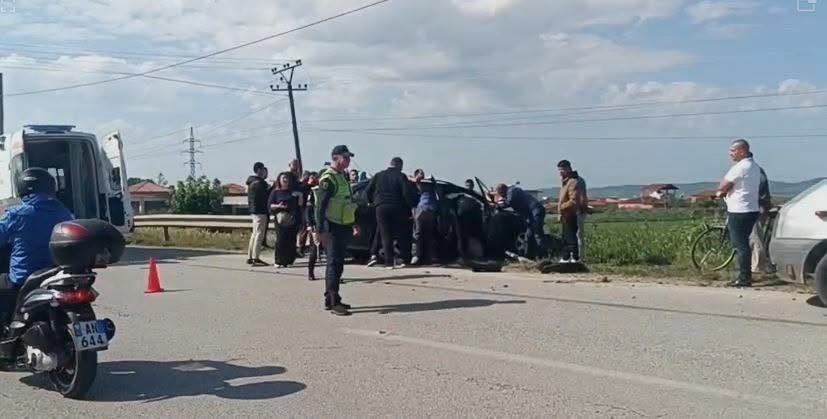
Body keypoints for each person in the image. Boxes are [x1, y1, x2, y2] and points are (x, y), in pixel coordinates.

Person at [0, 168, 74, 326]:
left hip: (24, 276)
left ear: (22, 188)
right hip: (57, 271)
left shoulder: (16, 214)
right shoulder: (66, 213)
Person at [315, 145, 360, 316]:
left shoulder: (342, 176)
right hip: (331, 227)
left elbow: (346, 202)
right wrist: (320, 230)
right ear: (336, 158)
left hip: (343, 225)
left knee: (339, 264)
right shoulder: (328, 179)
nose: (348, 160)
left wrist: (353, 223)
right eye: (345, 157)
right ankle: (333, 303)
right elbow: (320, 206)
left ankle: (333, 299)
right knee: (333, 264)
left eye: (349, 157)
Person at [716, 139, 761, 287]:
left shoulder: (740, 167)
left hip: (739, 210)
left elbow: (723, 186)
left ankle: (744, 278)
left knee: (740, 245)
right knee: (743, 244)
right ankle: (744, 275)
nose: (730, 154)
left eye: (733, 151)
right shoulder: (754, 167)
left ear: (742, 151)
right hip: (751, 209)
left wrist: (722, 184)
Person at [366, 157, 415, 269]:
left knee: (385, 234)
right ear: (400, 166)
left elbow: (368, 190)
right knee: (400, 234)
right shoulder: (401, 176)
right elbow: (406, 193)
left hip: (381, 207)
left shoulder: (378, 175)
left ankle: (388, 262)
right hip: (397, 207)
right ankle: (402, 258)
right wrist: (411, 206)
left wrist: (371, 202)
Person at [492, 183, 546, 257]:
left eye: (500, 193)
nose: (501, 196)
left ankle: (543, 256)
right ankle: (531, 256)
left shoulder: (511, 191)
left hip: (535, 211)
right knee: (529, 235)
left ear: (502, 190)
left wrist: (499, 206)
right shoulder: (510, 192)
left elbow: (510, 201)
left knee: (537, 233)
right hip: (531, 214)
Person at [557, 160, 587, 263]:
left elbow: (573, 200)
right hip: (566, 214)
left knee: (571, 237)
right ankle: (566, 257)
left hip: (571, 213)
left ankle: (575, 258)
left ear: (569, 169)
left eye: (563, 169)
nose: (561, 172)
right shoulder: (565, 181)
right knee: (565, 237)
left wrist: (561, 207)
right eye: (559, 170)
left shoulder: (573, 181)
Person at [270, 172, 302, 268]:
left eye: (286, 178)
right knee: (280, 240)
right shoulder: (275, 192)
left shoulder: (293, 192)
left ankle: (288, 260)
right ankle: (278, 260)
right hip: (280, 218)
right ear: (279, 180)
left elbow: (300, 205)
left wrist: (300, 196)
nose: (285, 180)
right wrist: (278, 206)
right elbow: (270, 205)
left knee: (291, 240)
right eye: (283, 178)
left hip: (292, 218)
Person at [749, 152, 773, 275]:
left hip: (758, 206)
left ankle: (759, 266)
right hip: (758, 205)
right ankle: (761, 264)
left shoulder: (755, 172)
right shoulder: (757, 170)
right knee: (754, 236)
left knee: (755, 236)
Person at [246, 162, 270, 266]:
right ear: (260, 170)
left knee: (254, 233)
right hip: (260, 211)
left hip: (253, 211)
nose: (266, 172)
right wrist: (271, 188)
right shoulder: (260, 183)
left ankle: (250, 256)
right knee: (259, 234)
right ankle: (256, 257)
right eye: (264, 170)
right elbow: (266, 197)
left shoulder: (251, 182)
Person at [411, 169, 437, 265]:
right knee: (419, 233)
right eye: (421, 173)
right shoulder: (420, 183)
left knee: (426, 234)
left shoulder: (429, 184)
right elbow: (415, 180)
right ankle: (417, 256)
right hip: (423, 208)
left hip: (428, 209)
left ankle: (426, 256)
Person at [304, 172, 322, 281]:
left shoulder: (332, 191)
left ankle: (333, 275)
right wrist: (310, 224)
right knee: (314, 250)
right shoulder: (314, 191)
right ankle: (311, 272)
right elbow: (308, 210)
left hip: (329, 224)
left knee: (331, 253)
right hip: (316, 224)